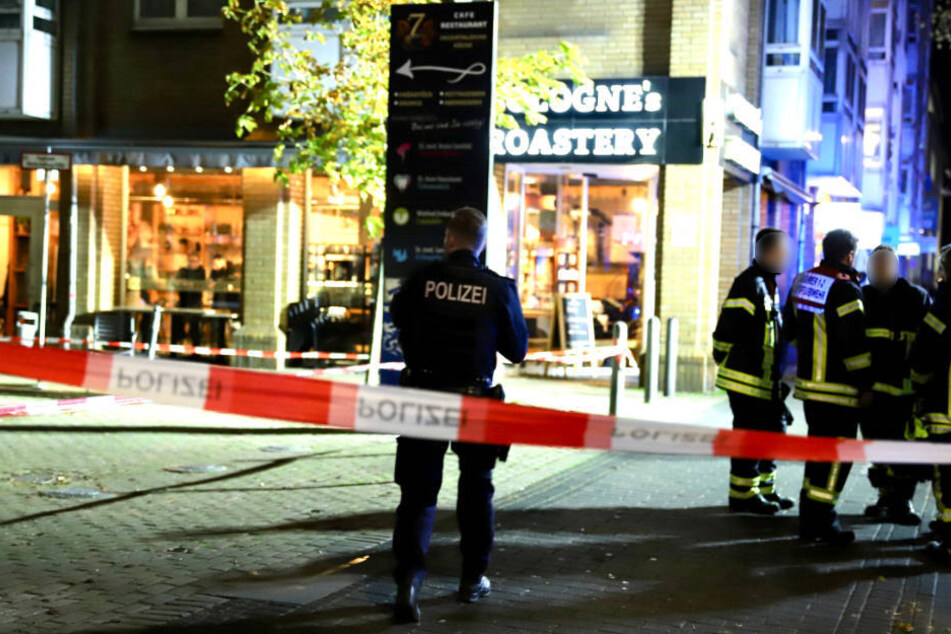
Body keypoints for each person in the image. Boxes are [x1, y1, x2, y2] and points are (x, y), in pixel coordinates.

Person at [389, 207, 528, 624]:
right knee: (476, 488)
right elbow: (516, 351)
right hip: (475, 401)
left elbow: (400, 322)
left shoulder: (420, 280)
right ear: (481, 242)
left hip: (424, 398)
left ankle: (408, 585)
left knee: (417, 494)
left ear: (449, 238)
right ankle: (472, 580)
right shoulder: (497, 289)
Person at [783, 229, 873, 545]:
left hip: (810, 388)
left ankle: (810, 519)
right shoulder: (847, 291)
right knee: (836, 457)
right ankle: (822, 522)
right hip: (839, 390)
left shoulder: (804, 281)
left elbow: (790, 330)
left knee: (818, 452)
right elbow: (856, 348)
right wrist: (865, 385)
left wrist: (811, 359)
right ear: (849, 255)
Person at [712, 228, 794, 515]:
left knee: (770, 432)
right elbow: (727, 326)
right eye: (780, 253)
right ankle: (743, 494)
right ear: (765, 254)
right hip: (745, 380)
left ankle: (765, 489)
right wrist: (720, 354)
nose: (785, 259)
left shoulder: (768, 284)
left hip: (763, 381)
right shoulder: (750, 283)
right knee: (749, 436)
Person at [861, 245, 931, 525]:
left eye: (883, 266)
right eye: (873, 267)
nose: (877, 271)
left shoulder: (916, 298)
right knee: (876, 447)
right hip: (872, 393)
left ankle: (902, 501)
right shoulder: (862, 297)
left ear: (895, 268)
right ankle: (884, 496)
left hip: (906, 393)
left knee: (904, 449)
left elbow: (928, 346)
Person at [909, 245, 951, 563]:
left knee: (946, 475)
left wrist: (919, 388)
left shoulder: (943, 306)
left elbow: (924, 355)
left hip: (945, 407)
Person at [172, 252, 206, 346]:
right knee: (177, 323)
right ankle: (176, 347)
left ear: (199, 262)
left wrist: (188, 284)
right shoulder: (183, 270)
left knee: (195, 327)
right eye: (191, 261)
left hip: (195, 303)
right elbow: (177, 282)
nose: (192, 263)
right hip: (183, 302)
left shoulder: (201, 271)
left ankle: (195, 349)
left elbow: (198, 284)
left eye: (195, 261)